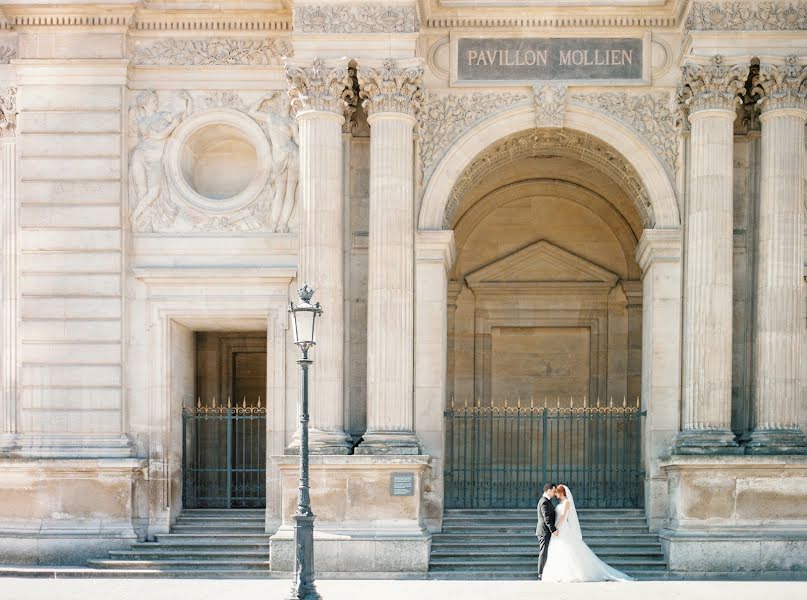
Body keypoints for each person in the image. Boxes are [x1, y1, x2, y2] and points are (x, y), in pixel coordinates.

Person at [541, 484, 633, 582]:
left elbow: (563, 516)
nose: (555, 495)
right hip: (559, 528)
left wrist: (556, 528)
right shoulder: (560, 502)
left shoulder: (567, 502)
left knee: (567, 549)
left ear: (561, 492)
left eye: (556, 492)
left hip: (562, 528)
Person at [535, 482, 558, 580]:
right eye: (553, 491)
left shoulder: (546, 501)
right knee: (543, 552)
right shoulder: (544, 501)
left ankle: (544, 572)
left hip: (545, 531)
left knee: (545, 552)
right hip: (544, 531)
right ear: (548, 490)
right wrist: (553, 529)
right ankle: (540, 574)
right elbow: (546, 517)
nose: (554, 493)